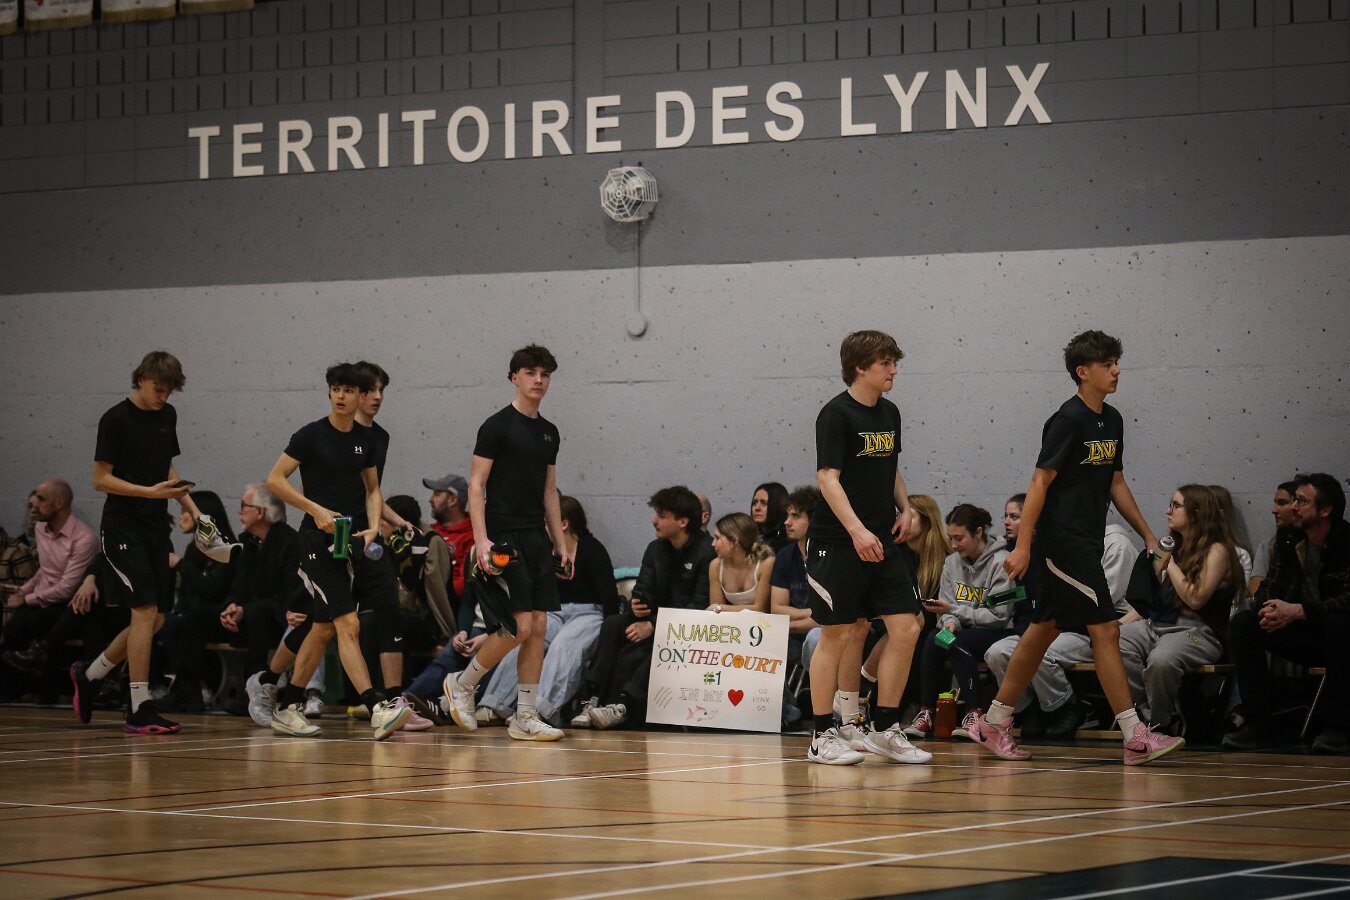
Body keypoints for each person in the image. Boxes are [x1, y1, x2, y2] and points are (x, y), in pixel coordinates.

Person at [969, 330, 1183, 766]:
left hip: (1086, 539)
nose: (1117, 370)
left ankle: (994, 721)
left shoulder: (1113, 419)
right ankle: (1135, 735)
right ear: (1083, 372)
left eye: (1117, 362)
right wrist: (1023, 546)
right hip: (1062, 544)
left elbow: (1116, 481)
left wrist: (1146, 533)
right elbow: (1039, 482)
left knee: (1043, 627)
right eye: (1107, 364)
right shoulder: (1067, 420)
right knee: (1105, 629)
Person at [260, 361, 411, 740]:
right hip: (315, 542)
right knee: (348, 624)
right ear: (330, 392)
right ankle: (377, 707)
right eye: (336, 389)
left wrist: (373, 527)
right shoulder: (311, 435)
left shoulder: (365, 440)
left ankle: (287, 706)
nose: (341, 396)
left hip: (351, 543)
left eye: (349, 390)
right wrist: (314, 509)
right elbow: (275, 480)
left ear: (360, 396)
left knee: (323, 627)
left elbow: (372, 489)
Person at [805, 330, 930, 766]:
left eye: (894, 362)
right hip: (838, 542)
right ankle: (822, 735)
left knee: (908, 627)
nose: (894, 370)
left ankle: (885, 729)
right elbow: (827, 478)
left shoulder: (890, 412)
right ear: (860, 367)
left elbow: (890, 467)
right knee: (838, 633)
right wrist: (857, 530)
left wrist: (906, 507)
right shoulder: (835, 415)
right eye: (885, 363)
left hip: (882, 539)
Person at [440, 345, 575, 742]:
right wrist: (481, 540)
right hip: (502, 537)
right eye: (531, 373)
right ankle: (463, 684)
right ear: (514, 377)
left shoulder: (549, 432)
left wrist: (560, 542)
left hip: (536, 537)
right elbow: (476, 485)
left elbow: (549, 490)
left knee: (539, 626)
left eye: (545, 374)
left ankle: (525, 715)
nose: (539, 380)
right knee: (517, 627)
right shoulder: (496, 426)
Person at [71, 351, 207, 735]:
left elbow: (167, 468)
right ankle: (138, 706)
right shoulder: (115, 419)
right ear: (142, 378)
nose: (164, 396)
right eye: (159, 389)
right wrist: (147, 492)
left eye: (170, 391)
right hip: (122, 528)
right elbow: (100, 479)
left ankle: (90, 675)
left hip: (154, 527)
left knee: (156, 618)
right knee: (145, 611)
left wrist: (198, 513)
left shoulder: (167, 415)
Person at [1224, 473, 1349, 753]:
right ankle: (1259, 723)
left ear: (1325, 510)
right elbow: (1270, 586)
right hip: (1305, 634)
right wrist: (1272, 609)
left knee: (1338, 624)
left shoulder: (1346, 542)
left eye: (1302, 501)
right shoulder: (1289, 539)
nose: (1294, 507)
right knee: (1245, 623)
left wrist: (1300, 611)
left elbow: (1346, 600)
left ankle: (1340, 728)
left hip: (1338, 636)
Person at [575, 486, 713, 729]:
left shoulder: (706, 552)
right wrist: (637, 605)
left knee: (640, 651)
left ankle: (621, 705)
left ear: (682, 522)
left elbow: (698, 606)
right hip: (653, 619)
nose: (654, 520)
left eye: (662, 515)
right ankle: (592, 698)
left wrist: (654, 624)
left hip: (687, 630)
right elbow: (643, 587)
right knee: (614, 624)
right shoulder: (655, 549)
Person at [983, 523, 1136, 739]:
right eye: (1006, 516)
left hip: (1085, 627)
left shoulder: (1113, 544)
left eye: (1016, 516)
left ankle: (1067, 708)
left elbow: (1100, 603)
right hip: (1044, 623)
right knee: (994, 652)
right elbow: (1021, 597)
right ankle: (1027, 709)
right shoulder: (1027, 552)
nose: (1008, 521)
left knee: (1040, 652)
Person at [479, 495, 618, 728]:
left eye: (545, 522)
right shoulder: (543, 552)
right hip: (554, 612)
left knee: (564, 644)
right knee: (524, 638)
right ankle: (494, 704)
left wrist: (610, 635)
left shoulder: (593, 550)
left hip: (588, 614)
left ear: (563, 524)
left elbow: (609, 596)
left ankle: (538, 708)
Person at [1118, 485, 1244, 736]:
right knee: (1112, 641)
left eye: (1176, 505)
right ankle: (1146, 714)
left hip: (1196, 632)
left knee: (1162, 660)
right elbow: (1154, 600)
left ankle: (1161, 724)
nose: (1168, 511)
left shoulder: (1217, 550)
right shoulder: (1173, 546)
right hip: (1157, 625)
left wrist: (1170, 565)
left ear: (1196, 514)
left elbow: (1196, 599)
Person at [907, 504, 1012, 740]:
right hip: (961, 630)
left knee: (956, 642)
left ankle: (975, 713)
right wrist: (948, 620)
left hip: (995, 632)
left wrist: (953, 612)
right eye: (950, 538)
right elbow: (946, 605)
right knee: (935, 639)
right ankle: (926, 712)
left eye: (959, 538)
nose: (953, 544)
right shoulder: (951, 563)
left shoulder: (1002, 562)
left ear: (978, 532)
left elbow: (999, 615)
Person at [159, 490, 239, 712]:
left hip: (223, 617)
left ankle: (188, 689)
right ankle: (180, 687)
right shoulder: (193, 548)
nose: (181, 516)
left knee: (186, 621)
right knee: (164, 621)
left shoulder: (226, 547)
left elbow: (212, 588)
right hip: (194, 617)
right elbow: (187, 595)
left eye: (186, 511)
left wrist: (181, 565)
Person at [1, 480, 97, 656]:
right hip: (42, 597)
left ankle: (33, 666)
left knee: (27, 625)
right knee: (11, 630)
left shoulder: (84, 538)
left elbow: (67, 589)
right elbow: (44, 571)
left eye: (41, 499)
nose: (35, 505)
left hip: (66, 605)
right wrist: (23, 591)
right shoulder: (41, 528)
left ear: (59, 504)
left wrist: (26, 599)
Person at [708, 512, 773, 614]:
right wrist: (719, 608)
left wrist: (721, 608)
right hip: (731, 622)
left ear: (734, 540)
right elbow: (715, 612)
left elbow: (760, 609)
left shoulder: (765, 563)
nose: (713, 543)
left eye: (717, 538)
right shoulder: (715, 566)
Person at [423, 473, 473, 598]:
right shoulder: (430, 531)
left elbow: (465, 583)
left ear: (453, 500)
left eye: (437, 494)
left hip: (450, 602)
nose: (430, 499)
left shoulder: (471, 536)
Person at [1250, 480, 1299, 598]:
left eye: (1282, 503)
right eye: (1275, 503)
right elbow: (1255, 588)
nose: (1274, 510)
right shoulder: (1270, 545)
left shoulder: (1313, 545)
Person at [751, 483, 790, 553]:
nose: (757, 508)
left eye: (764, 503)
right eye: (755, 503)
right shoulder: (748, 537)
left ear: (777, 506)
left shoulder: (787, 540)